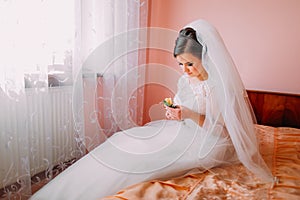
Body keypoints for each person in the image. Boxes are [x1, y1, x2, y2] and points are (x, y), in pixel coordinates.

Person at [30, 19, 273, 200]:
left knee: (139, 162)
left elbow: (222, 133)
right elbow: (182, 109)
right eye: (180, 64)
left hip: (209, 144)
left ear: (206, 58)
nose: (185, 70)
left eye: (190, 64)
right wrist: (175, 112)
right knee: (124, 141)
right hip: (182, 131)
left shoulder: (220, 87)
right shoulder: (186, 80)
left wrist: (187, 114)